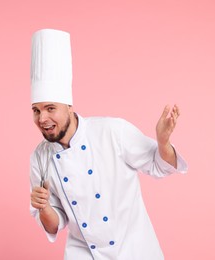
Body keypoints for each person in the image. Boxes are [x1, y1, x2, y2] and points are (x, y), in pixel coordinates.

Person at [29, 29, 188, 260]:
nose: (42, 119)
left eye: (50, 108)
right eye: (36, 110)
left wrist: (163, 142)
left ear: (69, 106)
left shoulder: (112, 131)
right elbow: (54, 225)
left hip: (134, 252)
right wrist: (43, 207)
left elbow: (160, 165)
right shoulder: (40, 158)